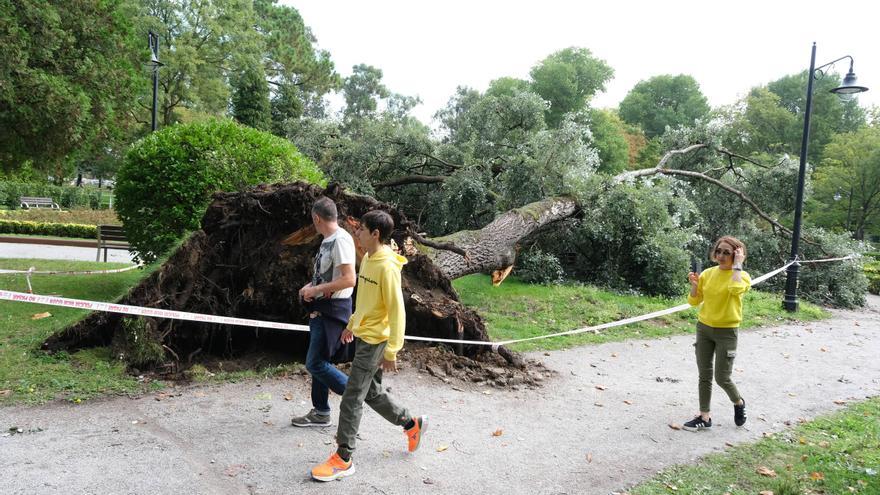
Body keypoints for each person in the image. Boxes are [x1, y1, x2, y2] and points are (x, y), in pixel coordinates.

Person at [311, 210, 427, 482]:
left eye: (362, 230)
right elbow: (366, 301)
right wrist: (352, 324)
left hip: (376, 341)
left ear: (376, 234)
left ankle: (344, 457)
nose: (358, 234)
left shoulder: (386, 266)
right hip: (364, 335)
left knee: (352, 396)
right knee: (372, 392)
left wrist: (392, 350)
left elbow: (397, 311)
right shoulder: (370, 259)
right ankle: (411, 423)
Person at [291, 197, 356, 428]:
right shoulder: (328, 240)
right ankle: (320, 412)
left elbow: (350, 279)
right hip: (321, 307)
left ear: (316, 218)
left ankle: (355, 393)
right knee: (321, 360)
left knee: (315, 363)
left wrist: (317, 289)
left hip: (332, 310)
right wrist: (311, 287)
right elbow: (330, 276)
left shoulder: (340, 240)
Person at [683, 236, 751, 431]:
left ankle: (738, 403)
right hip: (704, 328)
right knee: (704, 374)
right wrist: (695, 286)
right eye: (719, 251)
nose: (721, 256)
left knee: (722, 377)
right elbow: (694, 302)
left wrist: (737, 265)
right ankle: (704, 416)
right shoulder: (708, 273)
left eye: (727, 253)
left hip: (727, 332)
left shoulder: (742, 276)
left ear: (737, 255)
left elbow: (735, 289)